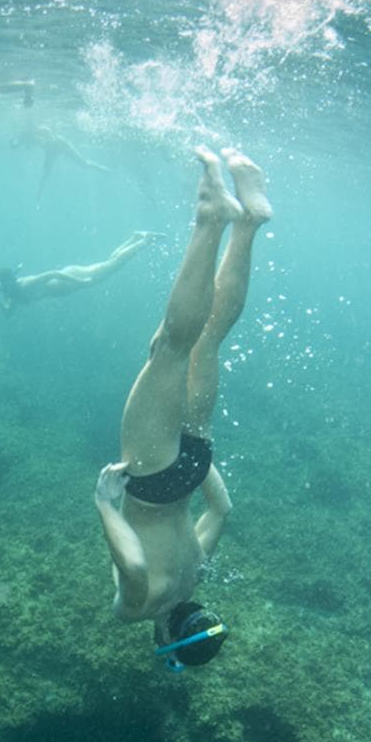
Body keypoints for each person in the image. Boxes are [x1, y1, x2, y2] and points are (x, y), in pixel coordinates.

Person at [94, 147, 272, 670]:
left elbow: (223, 510)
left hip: (194, 465)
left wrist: (196, 461)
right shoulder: (141, 609)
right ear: (167, 638)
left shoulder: (197, 574)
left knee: (209, 339)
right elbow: (130, 565)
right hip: (151, 481)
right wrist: (106, 503)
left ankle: (249, 225)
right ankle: (213, 218)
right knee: (171, 346)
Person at [0, 231, 158, 314]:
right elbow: (8, 313)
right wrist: (0, 299)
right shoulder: (13, 293)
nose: (1, 288)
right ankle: (134, 238)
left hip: (72, 278)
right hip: (71, 282)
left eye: (2, 285)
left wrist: (80, 282)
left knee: (113, 265)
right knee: (109, 263)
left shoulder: (23, 285)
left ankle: (144, 241)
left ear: (9, 281)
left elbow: (52, 273)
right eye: (0, 286)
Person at [12, 122, 110, 195]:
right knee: (45, 174)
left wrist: (41, 142)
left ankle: (101, 168)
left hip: (62, 145)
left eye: (30, 127)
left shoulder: (42, 129)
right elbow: (18, 144)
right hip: (50, 151)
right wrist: (16, 144)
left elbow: (52, 139)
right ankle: (39, 195)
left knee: (84, 164)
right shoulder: (25, 135)